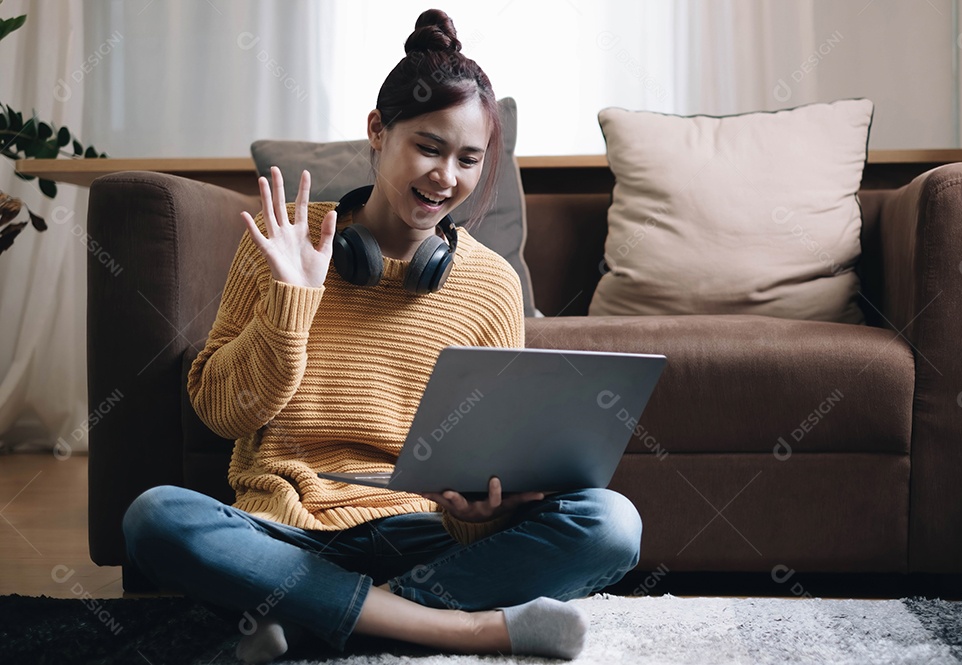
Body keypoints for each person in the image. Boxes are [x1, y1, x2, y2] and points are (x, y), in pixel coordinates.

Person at [122, 9, 641, 663]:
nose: (446, 176)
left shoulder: (492, 285)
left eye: (469, 159)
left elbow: (487, 463)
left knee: (612, 523)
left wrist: (478, 512)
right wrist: (292, 302)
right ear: (377, 130)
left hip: (425, 536)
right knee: (155, 516)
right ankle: (463, 629)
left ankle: (309, 619)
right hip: (289, 533)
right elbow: (222, 413)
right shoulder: (282, 244)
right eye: (429, 147)